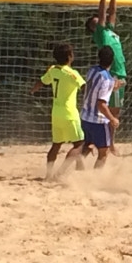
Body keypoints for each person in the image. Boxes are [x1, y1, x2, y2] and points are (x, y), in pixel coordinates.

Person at [84, 0, 127, 156]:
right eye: (94, 22)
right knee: (109, 112)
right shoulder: (100, 34)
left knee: (113, 111)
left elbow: (112, 12)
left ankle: (103, 143)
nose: (97, 20)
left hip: (120, 74)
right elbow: (103, 14)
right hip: (114, 75)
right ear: (93, 29)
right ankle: (108, 145)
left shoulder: (109, 31)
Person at [30, 44, 86, 180]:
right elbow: (85, 87)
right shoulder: (72, 74)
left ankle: (48, 174)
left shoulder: (53, 70)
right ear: (69, 57)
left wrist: (32, 90)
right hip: (69, 113)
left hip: (56, 113)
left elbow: (41, 82)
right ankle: (60, 173)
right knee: (80, 144)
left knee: (56, 144)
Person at [80, 47, 120, 169]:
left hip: (85, 116)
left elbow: (93, 89)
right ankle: (95, 179)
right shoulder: (107, 79)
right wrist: (112, 119)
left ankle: (75, 171)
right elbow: (101, 104)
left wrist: (112, 87)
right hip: (98, 121)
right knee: (104, 152)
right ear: (112, 61)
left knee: (87, 146)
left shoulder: (92, 70)